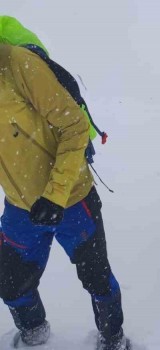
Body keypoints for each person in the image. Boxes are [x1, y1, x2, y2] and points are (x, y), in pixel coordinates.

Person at [0, 19, 129, 350]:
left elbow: (73, 127)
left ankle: (113, 339)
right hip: (19, 207)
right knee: (11, 283)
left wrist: (55, 197)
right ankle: (35, 336)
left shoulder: (19, 65)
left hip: (72, 199)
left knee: (97, 278)